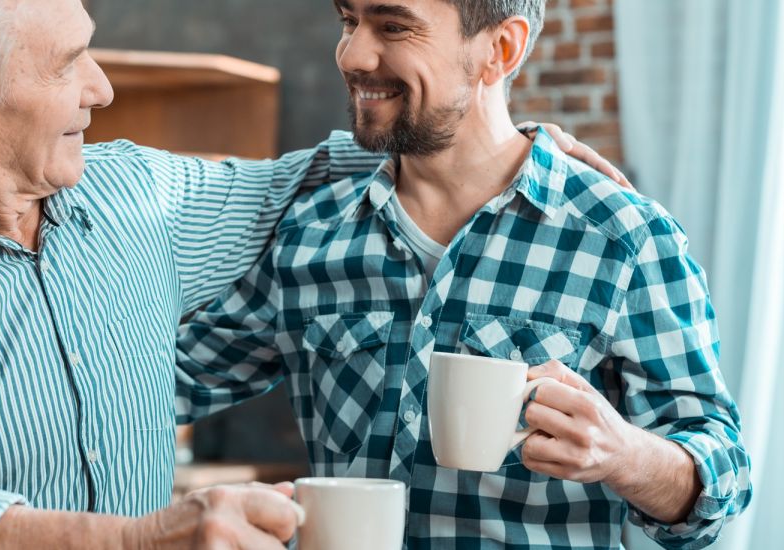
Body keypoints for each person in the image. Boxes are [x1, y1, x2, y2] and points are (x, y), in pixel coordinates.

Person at [0, 0, 621, 548]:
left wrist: (505, 147)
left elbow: (304, 175)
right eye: (68, 64)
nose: (101, 88)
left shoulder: (134, 195)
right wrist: (134, 541)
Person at [175, 0, 752, 548]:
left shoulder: (624, 238)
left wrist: (626, 454)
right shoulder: (310, 232)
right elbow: (161, 387)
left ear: (500, 49)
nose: (351, 55)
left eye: (393, 26)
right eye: (349, 20)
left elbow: (720, 478)